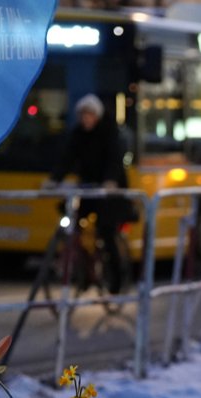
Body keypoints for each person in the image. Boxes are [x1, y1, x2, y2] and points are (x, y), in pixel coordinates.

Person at [45, 93, 132, 294]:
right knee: (72, 223)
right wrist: (54, 179)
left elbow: (114, 159)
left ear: (97, 115)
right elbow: (66, 158)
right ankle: (83, 271)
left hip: (109, 192)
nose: (86, 118)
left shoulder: (109, 132)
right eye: (83, 114)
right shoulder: (78, 134)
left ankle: (115, 280)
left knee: (106, 230)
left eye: (89, 114)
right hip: (89, 188)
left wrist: (110, 181)